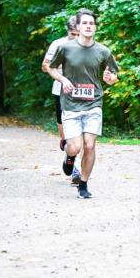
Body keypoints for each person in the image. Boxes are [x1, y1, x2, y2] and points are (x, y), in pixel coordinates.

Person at [47, 9, 119, 199]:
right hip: (70, 104)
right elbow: (51, 68)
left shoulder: (103, 51)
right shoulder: (66, 48)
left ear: (95, 27)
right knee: (75, 146)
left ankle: (83, 184)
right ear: (78, 27)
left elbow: (113, 77)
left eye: (91, 23)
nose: (88, 26)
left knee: (89, 145)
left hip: (93, 103)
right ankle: (70, 157)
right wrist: (63, 80)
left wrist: (110, 78)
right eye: (84, 23)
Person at [42, 16, 81, 181]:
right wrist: (61, 73)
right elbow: (45, 66)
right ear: (68, 31)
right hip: (61, 92)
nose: (76, 38)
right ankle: (67, 150)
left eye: (79, 34)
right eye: (73, 34)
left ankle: (75, 170)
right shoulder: (58, 44)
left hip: (82, 94)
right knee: (67, 136)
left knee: (81, 135)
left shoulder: (89, 45)